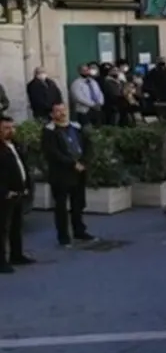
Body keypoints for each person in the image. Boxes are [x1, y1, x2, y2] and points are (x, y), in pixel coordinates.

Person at [41, 102, 96, 246]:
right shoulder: (49, 131)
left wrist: (84, 162)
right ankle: (63, 236)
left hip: (79, 172)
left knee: (78, 204)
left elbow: (88, 145)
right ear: (52, 115)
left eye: (63, 110)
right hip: (61, 174)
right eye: (57, 111)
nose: (62, 113)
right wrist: (72, 163)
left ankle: (79, 231)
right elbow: (52, 153)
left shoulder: (76, 127)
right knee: (61, 207)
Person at [0, 115, 35, 272]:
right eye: (6, 128)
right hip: (5, 195)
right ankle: (1, 261)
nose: (11, 131)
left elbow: (22, 166)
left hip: (19, 192)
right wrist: (5, 191)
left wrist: (26, 186)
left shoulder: (15, 145)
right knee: (2, 228)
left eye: (12, 127)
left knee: (16, 225)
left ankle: (17, 254)